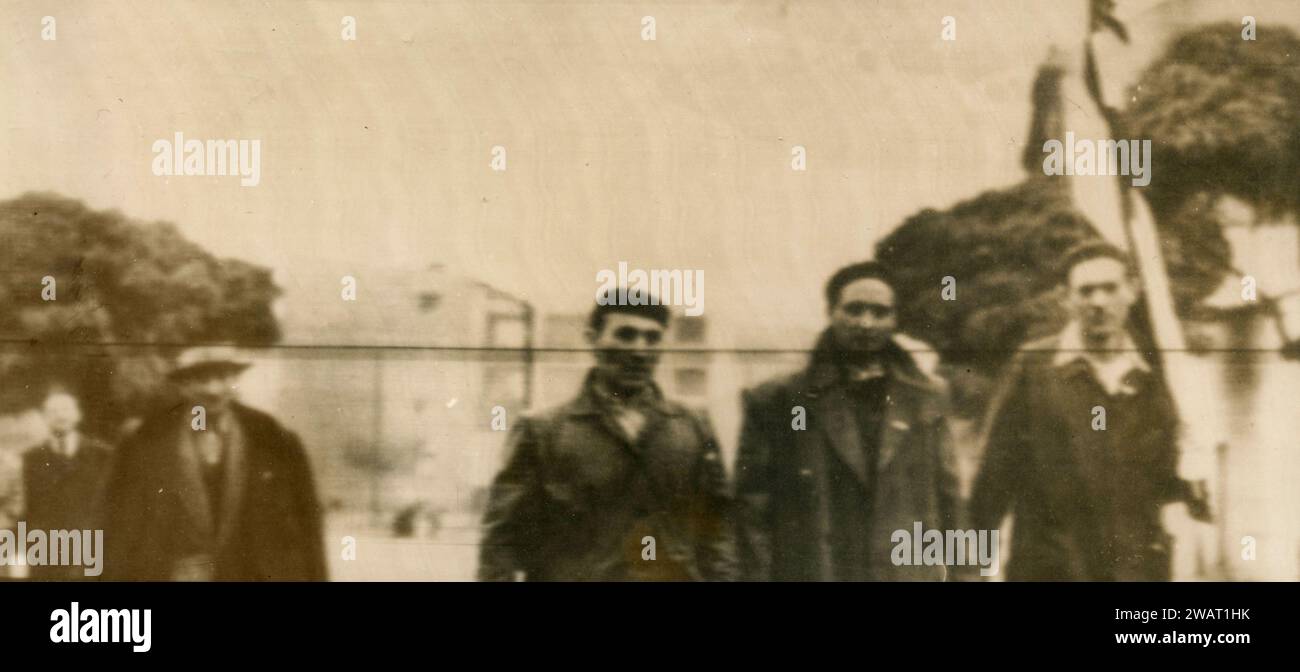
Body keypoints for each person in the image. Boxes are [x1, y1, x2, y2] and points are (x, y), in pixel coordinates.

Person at [970, 241, 1207, 581]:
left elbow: (1172, 479)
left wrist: (1193, 479)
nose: (1098, 302)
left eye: (1110, 288)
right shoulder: (1034, 368)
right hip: (1050, 571)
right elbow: (991, 483)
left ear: (1132, 290)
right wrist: (970, 571)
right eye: (1086, 291)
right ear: (1066, 299)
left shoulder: (1158, 375)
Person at [478, 296, 736, 581]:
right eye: (625, 335)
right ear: (593, 340)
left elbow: (718, 533)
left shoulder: (692, 427)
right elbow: (500, 543)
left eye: (652, 338)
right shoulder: (542, 432)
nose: (640, 351)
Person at [734, 262, 960, 581]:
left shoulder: (927, 397)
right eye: (854, 310)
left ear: (895, 320)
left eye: (880, 312)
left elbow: (950, 501)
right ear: (831, 312)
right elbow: (753, 510)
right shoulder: (778, 400)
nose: (866, 323)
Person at [104, 346, 326, 581]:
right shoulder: (146, 442)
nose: (213, 389)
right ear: (183, 384)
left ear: (235, 380)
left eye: (222, 377)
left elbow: (307, 527)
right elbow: (116, 524)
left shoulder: (272, 440)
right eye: (201, 378)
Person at [20, 391, 114, 580]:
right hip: (46, 553)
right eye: (53, 411)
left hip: (90, 550)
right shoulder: (32, 458)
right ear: (44, 418)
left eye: (65, 409)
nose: (60, 416)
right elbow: (30, 509)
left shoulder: (102, 455)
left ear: (78, 414)